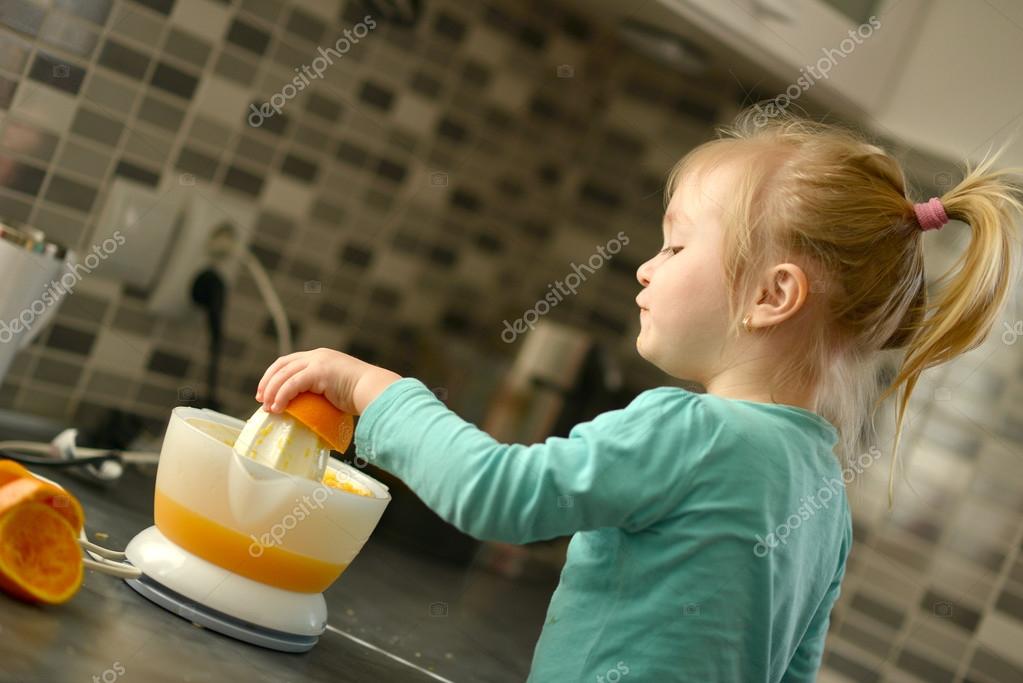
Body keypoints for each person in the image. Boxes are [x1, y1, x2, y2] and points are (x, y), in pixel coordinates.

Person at [254, 105, 1023, 681]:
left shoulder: (689, 429)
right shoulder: (824, 489)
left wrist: (374, 390)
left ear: (771, 294)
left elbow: (496, 494)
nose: (645, 267)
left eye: (677, 244)